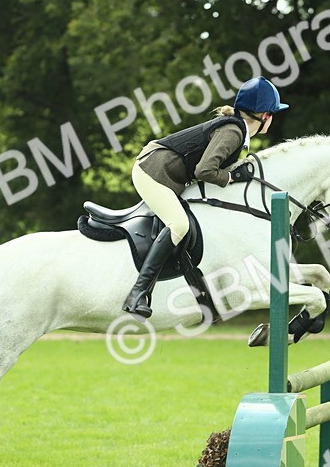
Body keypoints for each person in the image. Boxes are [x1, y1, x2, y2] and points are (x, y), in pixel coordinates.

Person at [121, 76, 288, 317]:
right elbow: (205, 170)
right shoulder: (233, 132)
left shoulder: (236, 129)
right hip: (153, 171)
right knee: (178, 224)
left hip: (168, 172)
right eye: (273, 114)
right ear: (264, 116)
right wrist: (229, 179)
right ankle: (138, 293)